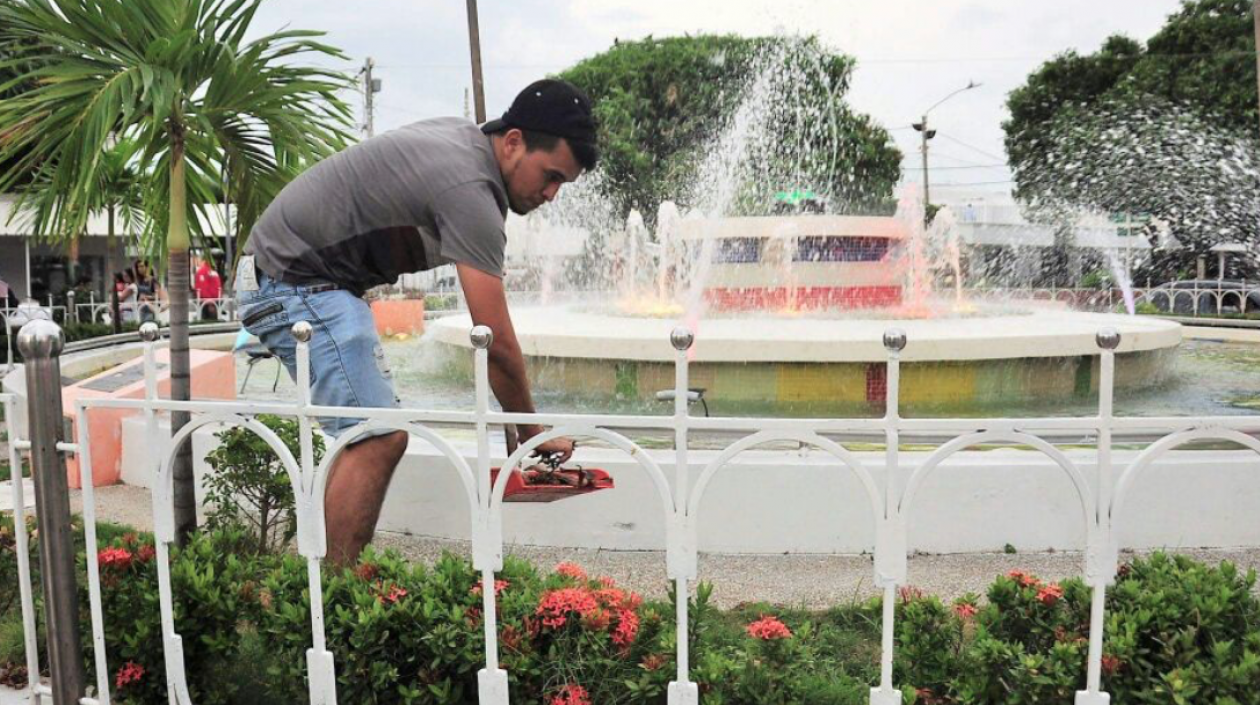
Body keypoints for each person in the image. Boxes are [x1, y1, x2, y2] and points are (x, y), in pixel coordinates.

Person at [237, 78, 598, 565]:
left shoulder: (464, 147)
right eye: (550, 175)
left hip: (295, 277)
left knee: (365, 434)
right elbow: (493, 339)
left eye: (563, 184)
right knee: (378, 436)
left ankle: (323, 589)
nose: (552, 194)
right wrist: (529, 429)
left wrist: (517, 425)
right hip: (294, 281)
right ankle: (328, 604)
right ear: (513, 141)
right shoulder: (470, 188)